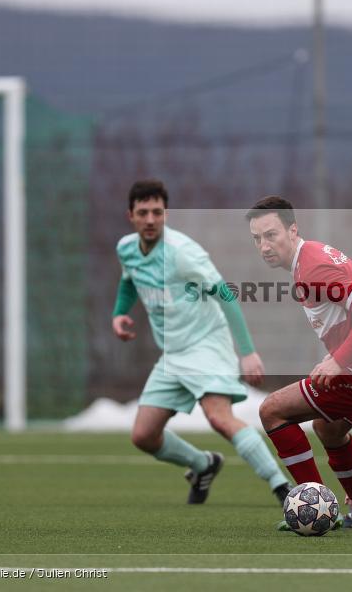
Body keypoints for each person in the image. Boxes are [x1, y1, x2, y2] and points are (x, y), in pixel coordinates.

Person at [112, 180, 290, 504]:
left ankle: (284, 488)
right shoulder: (126, 248)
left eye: (157, 212)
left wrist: (247, 352)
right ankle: (203, 464)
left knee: (219, 417)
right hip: (174, 353)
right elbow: (128, 282)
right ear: (131, 216)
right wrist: (119, 313)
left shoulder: (182, 253)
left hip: (207, 343)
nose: (150, 219)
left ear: (165, 214)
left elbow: (226, 295)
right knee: (143, 435)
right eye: (143, 213)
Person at [246, 196, 352, 527]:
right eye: (257, 238)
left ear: (292, 230)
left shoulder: (312, 267)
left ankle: (317, 508)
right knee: (329, 428)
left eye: (271, 234)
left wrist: (339, 360)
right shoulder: (312, 255)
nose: (264, 245)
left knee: (272, 410)